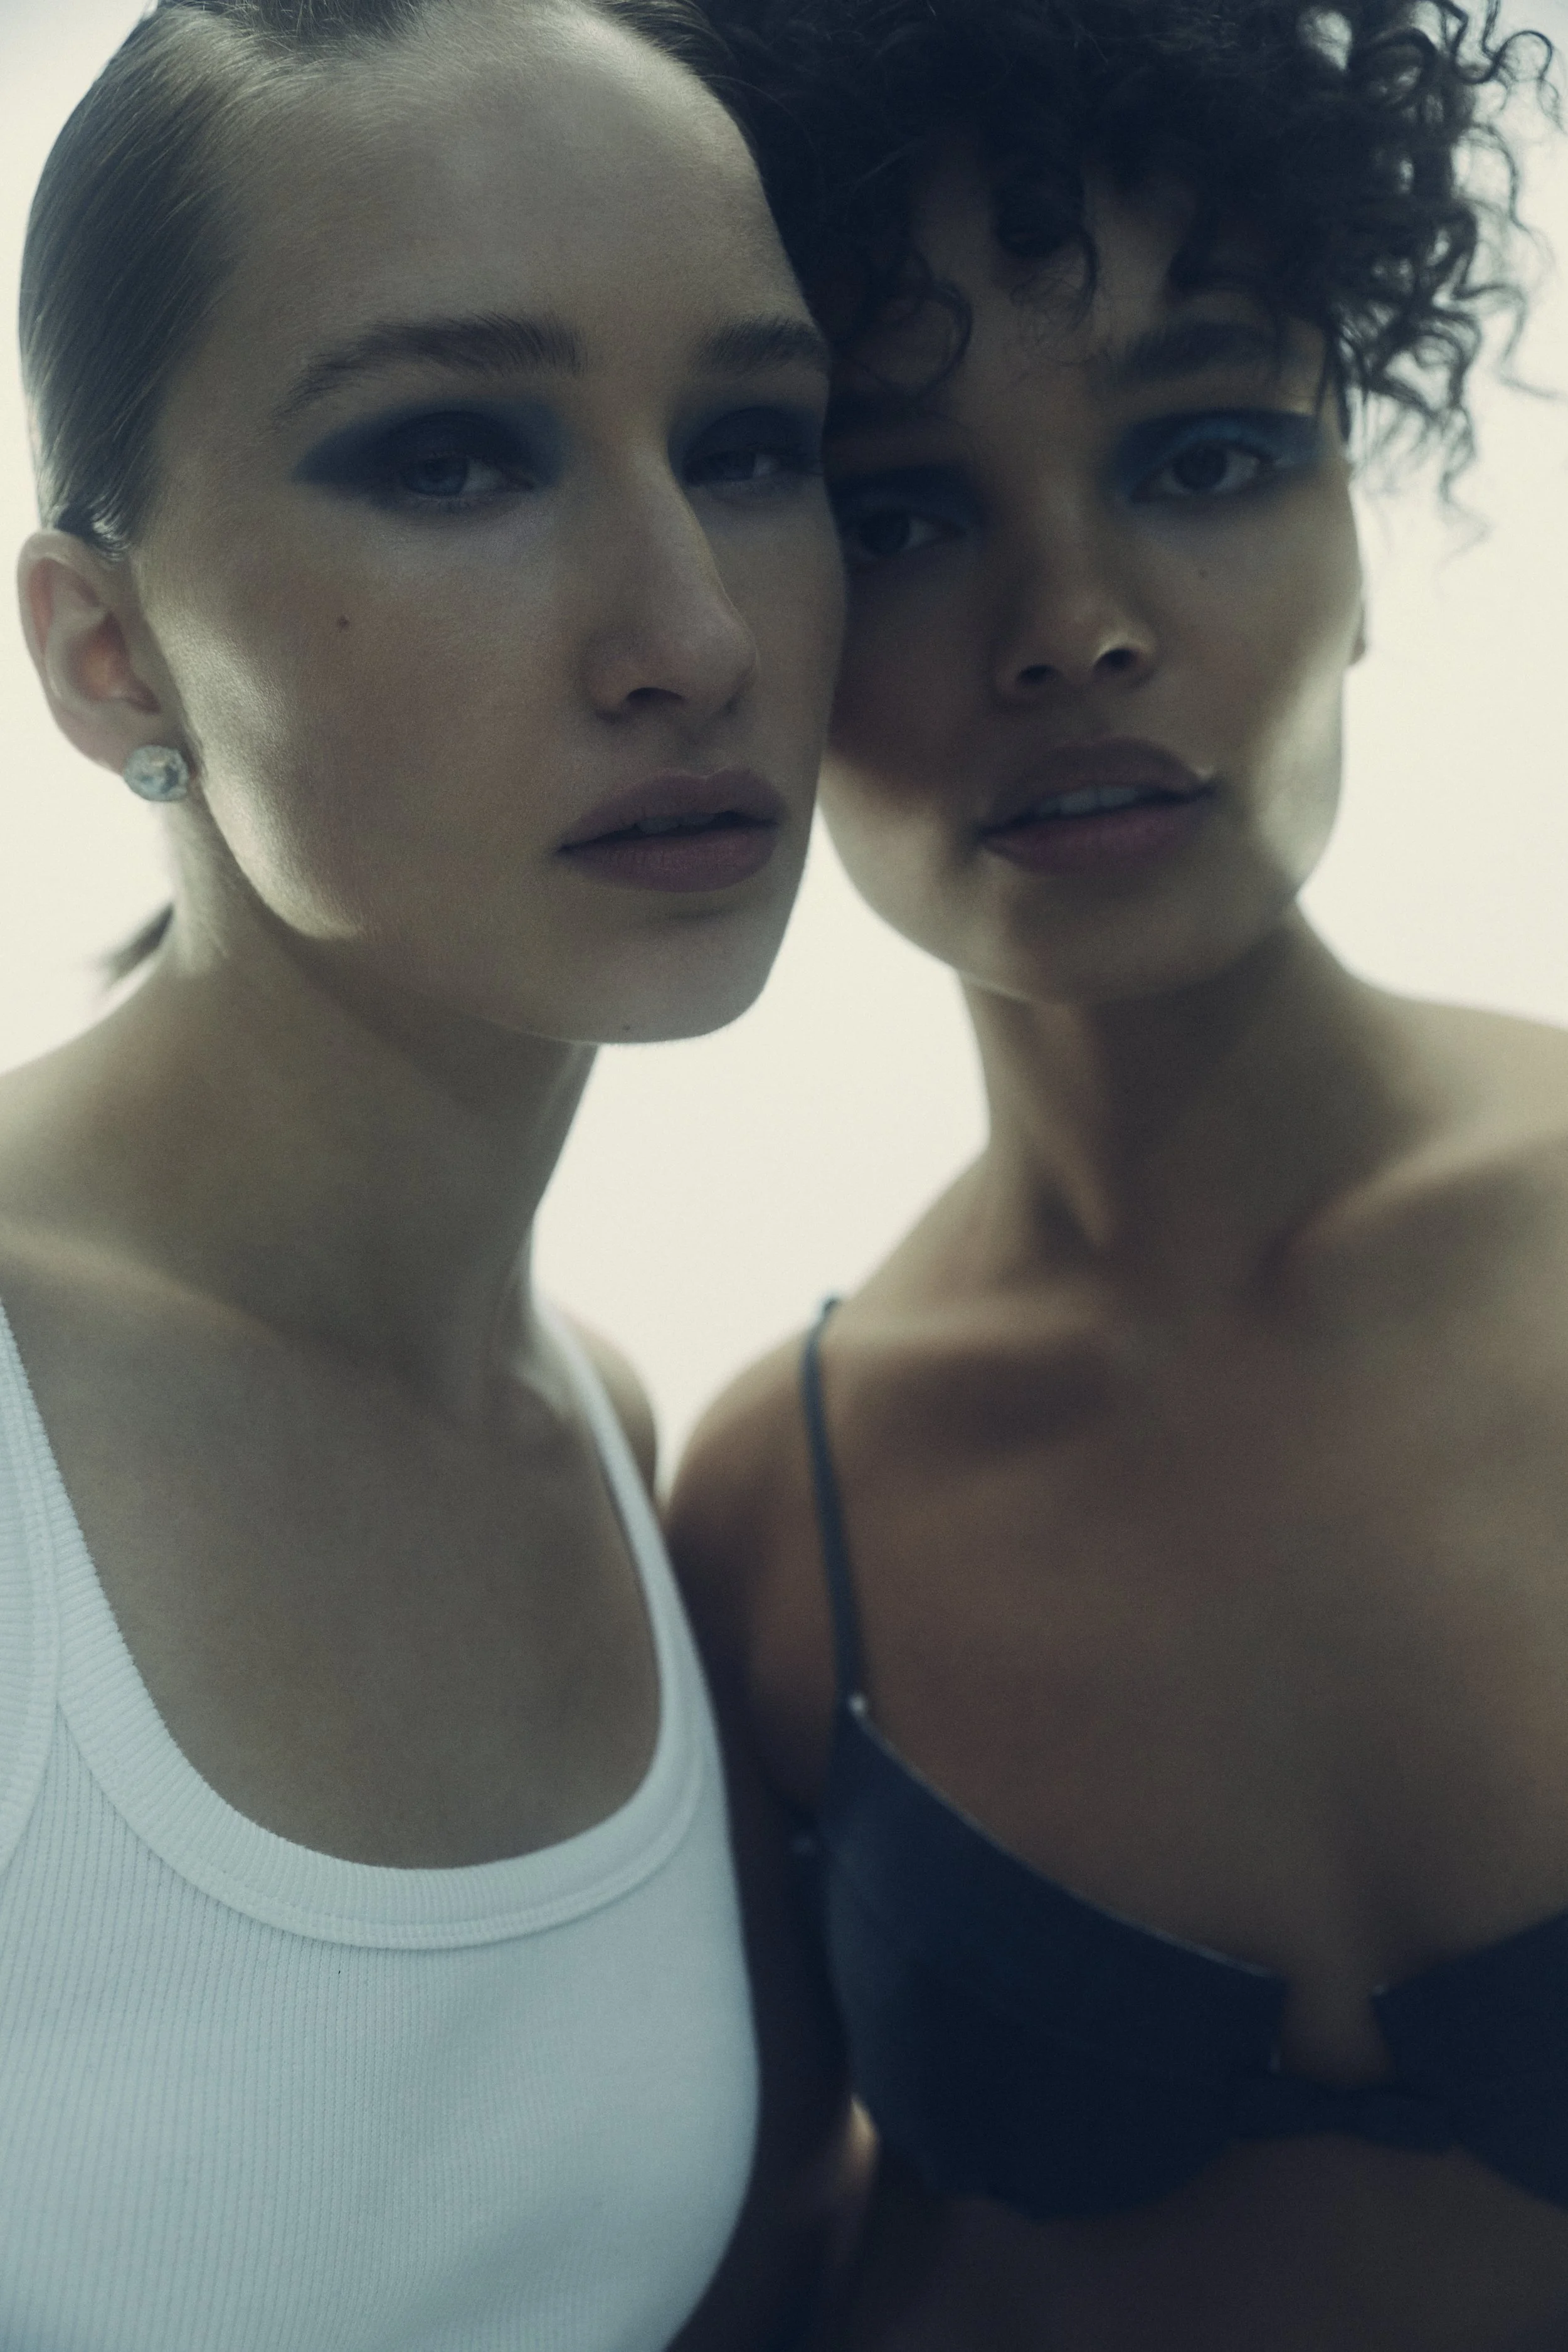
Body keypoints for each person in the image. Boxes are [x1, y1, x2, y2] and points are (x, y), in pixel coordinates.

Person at [669, 1, 1568, 2343]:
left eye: (1204, 449)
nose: (1072, 623)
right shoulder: (776, 1507)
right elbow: (754, 2261)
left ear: (1357, 537)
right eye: (898, 507)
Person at [0, 1, 855, 2345]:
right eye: (454, 454)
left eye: (756, 445)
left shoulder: (611, 1443)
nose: (690, 634)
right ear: (107, 650)